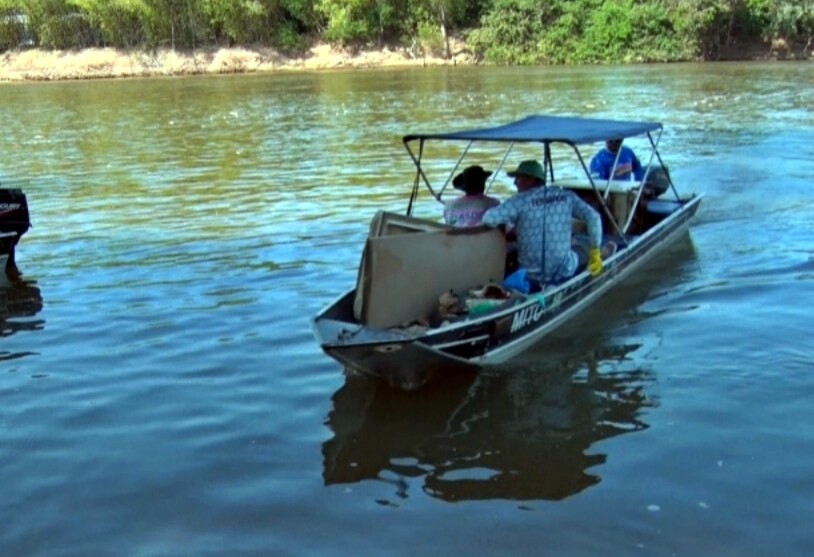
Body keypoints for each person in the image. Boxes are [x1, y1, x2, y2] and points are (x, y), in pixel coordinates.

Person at [481, 160, 603, 290]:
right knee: (583, 241)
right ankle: (603, 252)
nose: (515, 182)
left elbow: (488, 218)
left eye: (518, 178)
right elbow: (594, 217)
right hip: (564, 269)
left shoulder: (518, 201)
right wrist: (595, 249)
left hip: (529, 274)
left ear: (531, 179)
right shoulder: (566, 196)